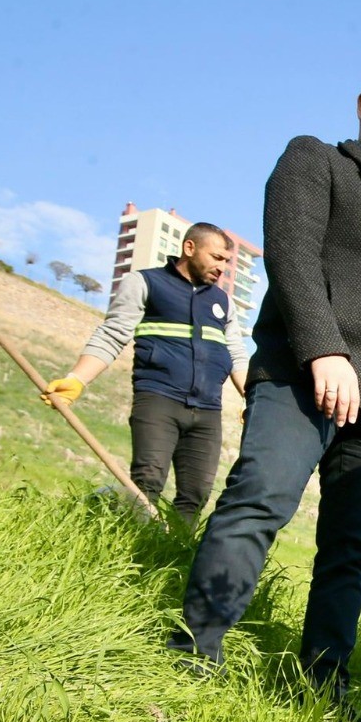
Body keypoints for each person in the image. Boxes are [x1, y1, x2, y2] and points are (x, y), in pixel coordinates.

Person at [168, 61, 361, 705]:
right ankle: (194, 651)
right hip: (303, 376)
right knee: (259, 500)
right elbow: (291, 252)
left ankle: (323, 685)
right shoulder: (315, 161)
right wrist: (324, 348)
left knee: (351, 550)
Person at [44, 224, 248, 523]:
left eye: (226, 261)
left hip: (207, 410)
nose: (222, 267)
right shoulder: (145, 282)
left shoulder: (221, 302)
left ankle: (170, 559)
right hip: (159, 399)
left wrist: (252, 397)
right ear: (189, 248)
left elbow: (236, 354)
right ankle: (128, 545)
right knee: (147, 483)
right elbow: (112, 335)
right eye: (216, 257)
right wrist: (76, 380)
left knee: (196, 495)